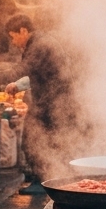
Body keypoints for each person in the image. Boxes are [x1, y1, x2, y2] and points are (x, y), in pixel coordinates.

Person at [5, 14, 79, 195]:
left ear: (23, 31)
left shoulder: (39, 45)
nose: (13, 42)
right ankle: (45, 179)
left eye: (13, 37)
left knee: (34, 140)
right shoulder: (39, 42)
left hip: (53, 102)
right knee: (40, 139)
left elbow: (25, 68)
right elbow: (36, 73)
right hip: (51, 100)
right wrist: (18, 85)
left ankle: (43, 181)